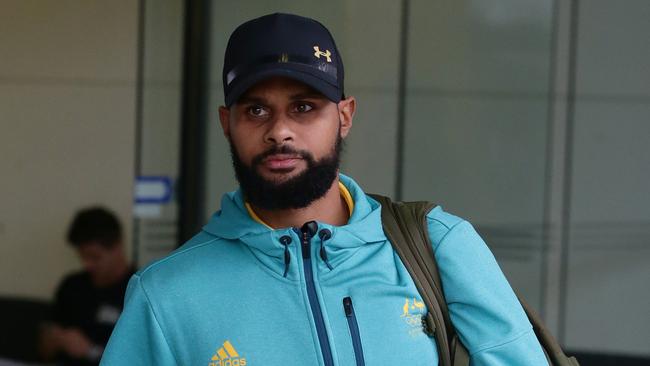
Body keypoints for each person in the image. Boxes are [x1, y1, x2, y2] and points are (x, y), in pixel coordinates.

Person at [101, 13, 548, 365]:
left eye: (304, 107)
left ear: (345, 116)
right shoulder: (166, 295)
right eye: (256, 110)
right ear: (226, 123)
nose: (280, 132)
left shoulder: (437, 245)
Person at [41, 207, 133, 366]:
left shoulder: (136, 292)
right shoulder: (72, 286)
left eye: (95, 257)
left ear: (118, 247)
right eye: (82, 257)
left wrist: (90, 350)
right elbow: (44, 351)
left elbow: (139, 358)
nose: (88, 264)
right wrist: (55, 340)